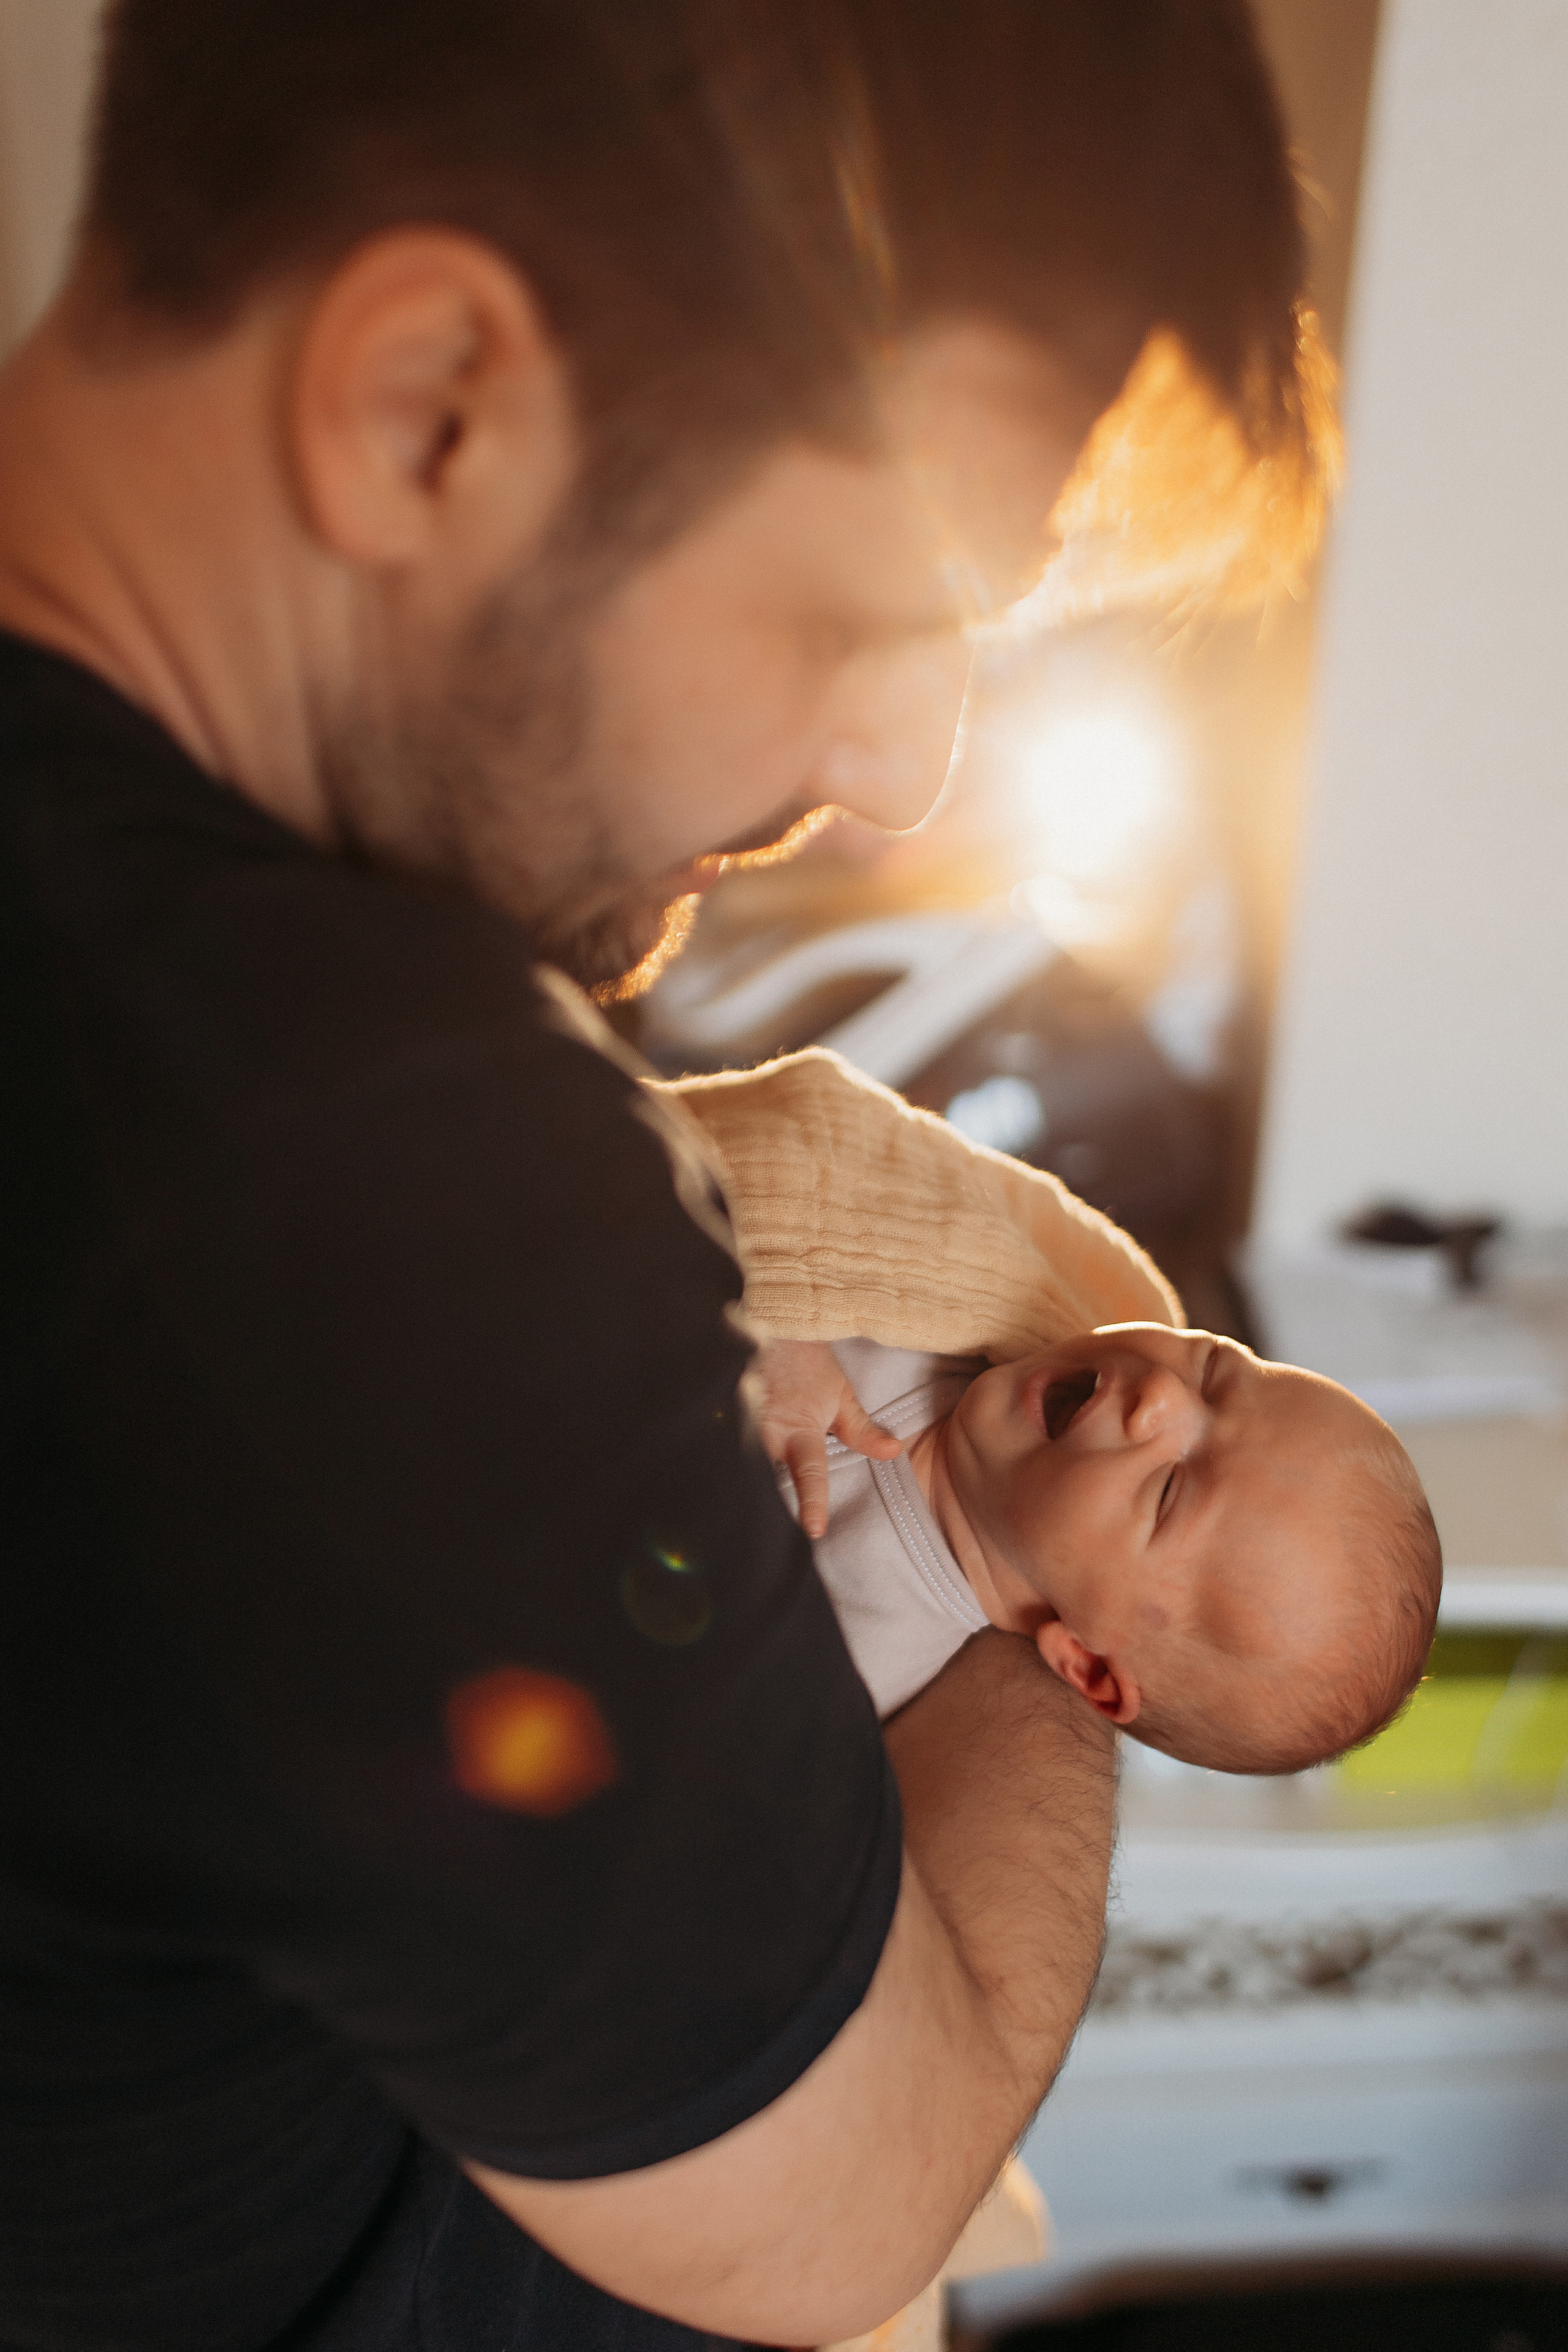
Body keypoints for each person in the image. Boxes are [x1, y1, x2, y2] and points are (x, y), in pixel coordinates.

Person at [0, 5, 1333, 2348]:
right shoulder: (373, 1189)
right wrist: (1033, 1611)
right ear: (427, 400)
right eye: (865, 613)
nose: (903, 770)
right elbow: (836, 2211)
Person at [752, 1324, 1441, 1760]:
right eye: (1213, 1369)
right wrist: (771, 1305)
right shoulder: (950, 1309)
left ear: (1085, 1663)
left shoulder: (845, 1667)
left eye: (1171, 1490)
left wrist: (742, 1344)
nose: (1163, 1395)